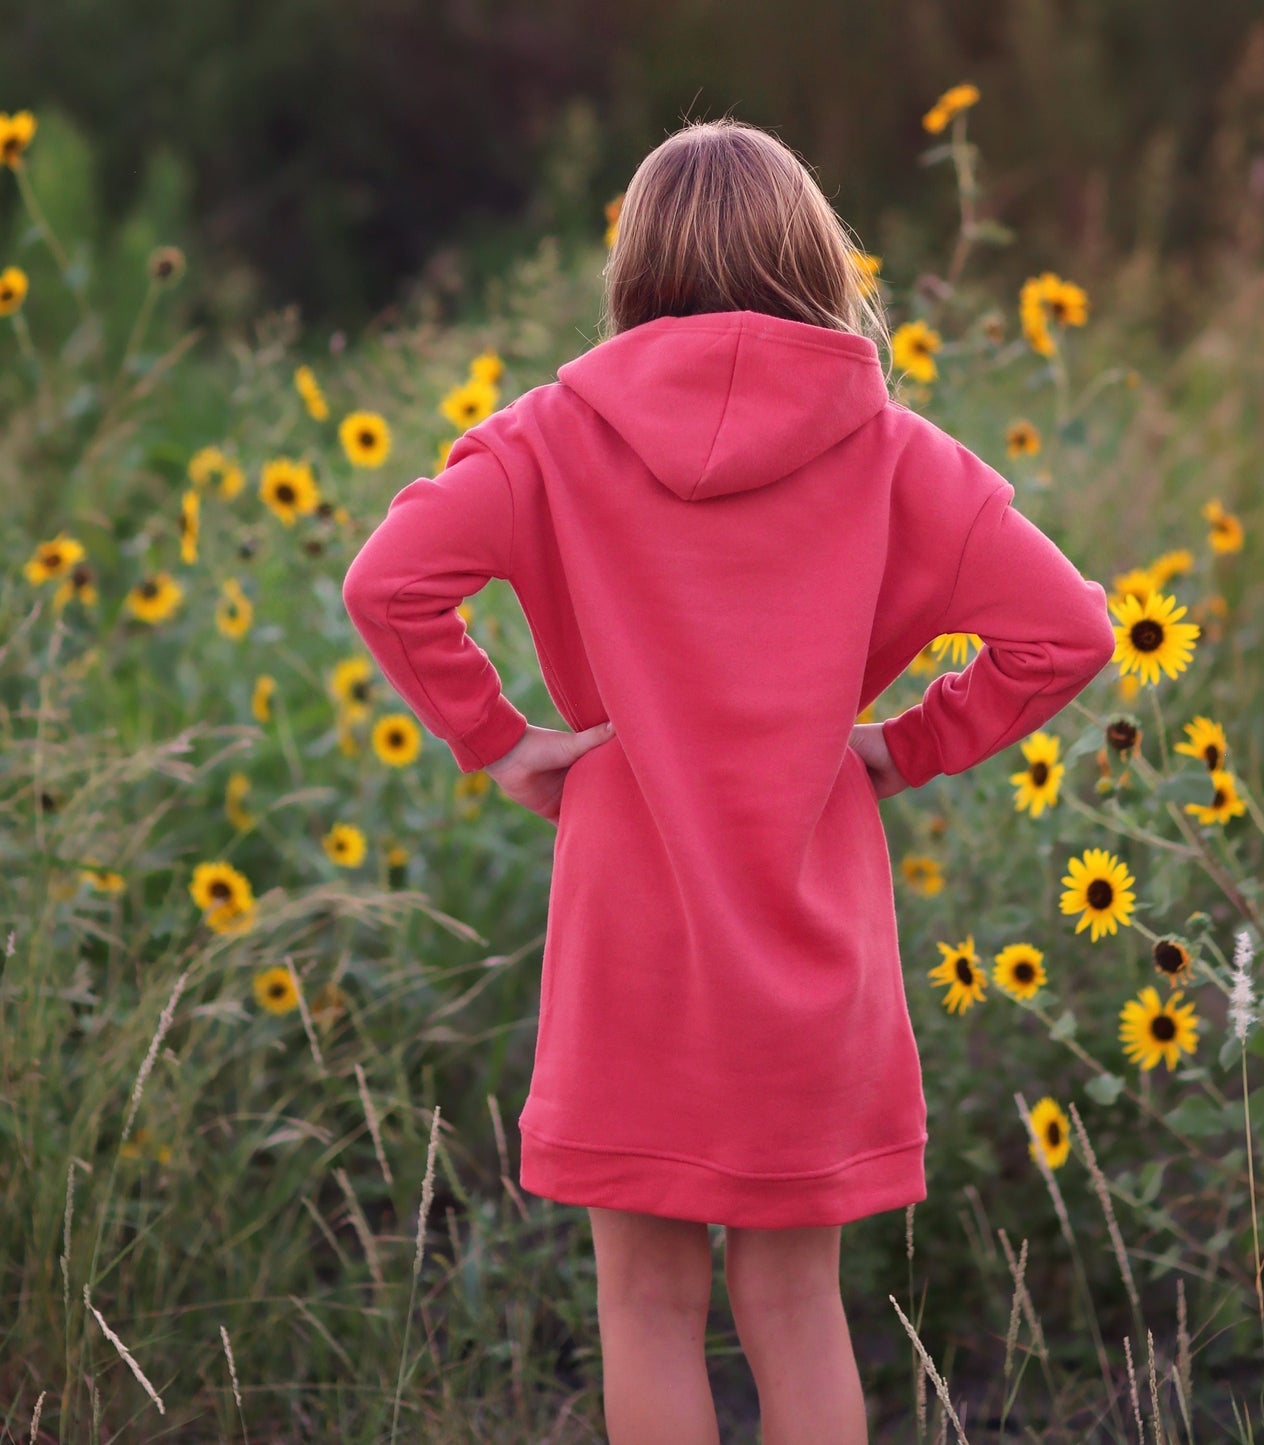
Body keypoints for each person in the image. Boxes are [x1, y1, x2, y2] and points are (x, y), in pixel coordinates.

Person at [342, 117, 1117, 1445]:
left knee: (645, 1301)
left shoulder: (548, 437)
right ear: (815, 259)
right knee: (794, 1304)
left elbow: (386, 582)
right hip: (809, 940)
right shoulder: (896, 455)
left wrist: (502, 740)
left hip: (625, 933)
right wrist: (906, 742)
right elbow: (1069, 631)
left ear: (634, 268)